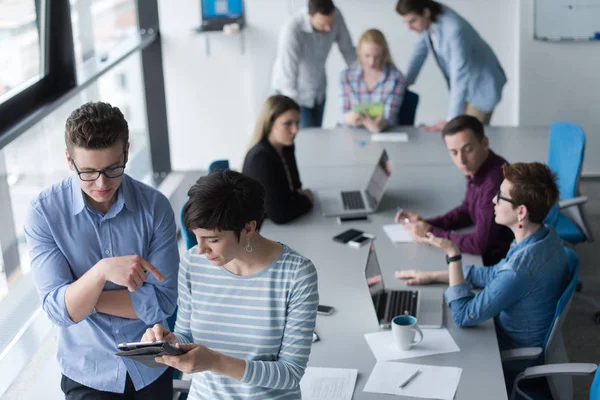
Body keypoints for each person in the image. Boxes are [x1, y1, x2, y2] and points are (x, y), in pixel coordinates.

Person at [24, 102, 179, 399]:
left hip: (151, 364)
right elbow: (59, 310)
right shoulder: (44, 213)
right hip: (87, 374)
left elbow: (163, 301)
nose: (102, 183)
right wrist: (101, 272)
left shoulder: (155, 206)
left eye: (112, 169)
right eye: (88, 172)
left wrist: (86, 299)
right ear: (70, 162)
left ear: (127, 152)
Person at [141, 170, 319, 399]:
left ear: (248, 229)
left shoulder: (297, 275)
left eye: (213, 240)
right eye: (197, 237)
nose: (201, 249)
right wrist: (170, 342)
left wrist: (215, 361)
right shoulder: (194, 262)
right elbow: (186, 333)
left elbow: (290, 373)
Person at [396, 162, 569, 390]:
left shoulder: (518, 271)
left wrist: (453, 255)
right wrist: (434, 276)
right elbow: (492, 274)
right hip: (518, 335)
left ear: (521, 212)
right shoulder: (544, 236)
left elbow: (464, 315)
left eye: (501, 197)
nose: (493, 201)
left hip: (506, 355)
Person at [395, 115, 513, 265]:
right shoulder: (477, 167)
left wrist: (429, 231)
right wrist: (425, 223)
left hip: (497, 263)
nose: (461, 160)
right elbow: (467, 210)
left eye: (467, 149)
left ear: (484, 143)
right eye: (454, 152)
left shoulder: (494, 182)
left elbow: (478, 244)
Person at [396, 0, 507, 130]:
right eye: (406, 23)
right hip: (466, 87)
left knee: (467, 135)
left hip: (482, 87)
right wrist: (405, 83)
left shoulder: (454, 30)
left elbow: (460, 75)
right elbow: (420, 50)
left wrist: (450, 121)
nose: (410, 28)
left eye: (412, 21)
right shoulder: (428, 21)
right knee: (460, 134)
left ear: (426, 12)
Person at [272, 0, 356, 128]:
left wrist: (363, 75)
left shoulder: (336, 16)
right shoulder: (292, 29)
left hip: (318, 90)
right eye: (322, 25)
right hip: (294, 92)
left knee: (317, 135)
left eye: (330, 24)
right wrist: (291, 110)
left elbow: (348, 50)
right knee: (304, 138)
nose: (328, 28)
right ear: (309, 16)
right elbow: (287, 72)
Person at [243, 94, 313, 224]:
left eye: (297, 123)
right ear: (270, 124)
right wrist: (307, 200)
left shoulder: (286, 146)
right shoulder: (261, 158)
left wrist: (299, 198)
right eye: (288, 124)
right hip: (260, 230)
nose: (295, 130)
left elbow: (296, 187)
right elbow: (279, 215)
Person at [339, 28, 406, 133]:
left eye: (377, 57)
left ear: (384, 54)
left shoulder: (396, 78)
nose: (371, 62)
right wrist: (347, 118)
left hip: (385, 133)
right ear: (359, 52)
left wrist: (378, 126)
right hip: (352, 133)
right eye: (367, 56)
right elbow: (344, 112)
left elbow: (390, 116)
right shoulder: (346, 76)